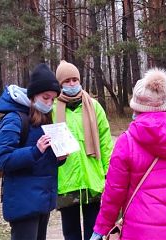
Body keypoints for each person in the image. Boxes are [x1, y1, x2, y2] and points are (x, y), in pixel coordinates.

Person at [90, 68, 166, 240]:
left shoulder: (126, 142)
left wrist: (102, 228)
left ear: (136, 106)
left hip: (142, 229)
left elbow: (114, 192)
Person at [0, 63, 62, 240]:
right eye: (45, 97)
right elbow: (2, 158)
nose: (49, 103)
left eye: (53, 100)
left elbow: (44, 160)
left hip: (42, 200)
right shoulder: (14, 119)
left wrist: (60, 157)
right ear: (33, 96)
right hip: (23, 203)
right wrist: (35, 151)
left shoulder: (45, 118)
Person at [52, 60, 113, 240]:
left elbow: (105, 141)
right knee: (70, 232)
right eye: (67, 81)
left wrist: (108, 172)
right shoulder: (53, 109)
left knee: (93, 230)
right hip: (66, 179)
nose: (72, 84)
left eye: (74, 79)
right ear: (60, 84)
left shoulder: (94, 106)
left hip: (92, 178)